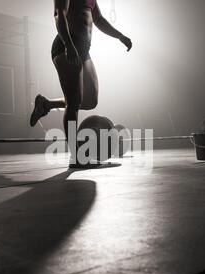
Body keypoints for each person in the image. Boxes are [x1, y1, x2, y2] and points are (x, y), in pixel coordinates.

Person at [30, 0, 132, 167]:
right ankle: (76, 157)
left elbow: (98, 19)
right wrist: (68, 44)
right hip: (66, 45)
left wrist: (119, 36)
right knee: (74, 102)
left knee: (90, 100)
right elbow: (59, 14)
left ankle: (46, 104)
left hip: (84, 49)